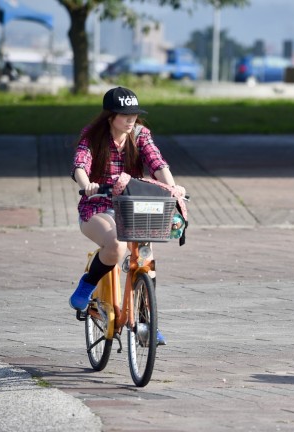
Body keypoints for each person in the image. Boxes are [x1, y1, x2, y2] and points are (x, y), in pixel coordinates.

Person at [69, 86, 185, 345]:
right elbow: (80, 162)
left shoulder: (140, 135)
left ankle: (146, 323)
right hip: (98, 204)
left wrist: (173, 188)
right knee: (116, 246)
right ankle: (87, 285)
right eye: (124, 114)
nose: (131, 118)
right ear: (110, 115)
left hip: (132, 203)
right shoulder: (93, 136)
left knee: (146, 261)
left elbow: (157, 163)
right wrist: (87, 183)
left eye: (134, 113)